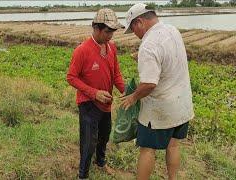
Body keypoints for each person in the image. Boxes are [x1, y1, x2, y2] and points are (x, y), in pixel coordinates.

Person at [120, 3, 194, 180]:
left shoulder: (148, 45)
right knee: (173, 145)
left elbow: (149, 84)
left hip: (160, 110)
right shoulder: (172, 30)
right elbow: (167, 56)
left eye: (133, 29)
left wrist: (133, 97)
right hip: (182, 104)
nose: (136, 35)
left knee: (147, 150)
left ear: (139, 22)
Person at [66, 8, 125, 180]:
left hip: (106, 103)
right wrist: (94, 93)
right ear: (96, 28)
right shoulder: (82, 50)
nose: (110, 36)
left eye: (113, 32)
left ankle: (100, 162)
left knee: (104, 136)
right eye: (107, 32)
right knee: (88, 141)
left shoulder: (111, 48)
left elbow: (116, 75)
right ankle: (82, 175)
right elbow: (71, 77)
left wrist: (126, 92)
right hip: (88, 103)